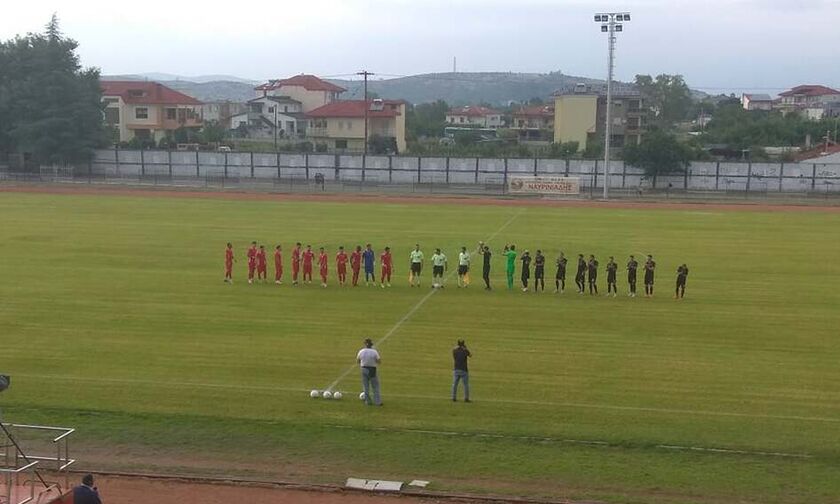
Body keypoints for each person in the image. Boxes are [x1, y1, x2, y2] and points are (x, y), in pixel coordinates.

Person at [356, 338, 382, 406]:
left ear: (365, 344)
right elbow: (379, 361)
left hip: (363, 369)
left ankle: (368, 402)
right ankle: (377, 402)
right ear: (371, 345)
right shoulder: (374, 352)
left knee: (366, 386)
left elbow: (358, 361)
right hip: (372, 370)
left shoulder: (361, 351)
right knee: (375, 386)